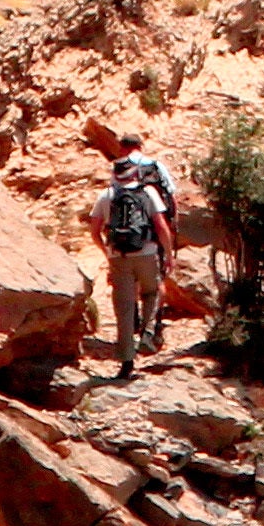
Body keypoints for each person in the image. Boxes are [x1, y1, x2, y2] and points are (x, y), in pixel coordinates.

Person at [99, 143, 179, 376]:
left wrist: (106, 251)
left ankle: (126, 363)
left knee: (123, 309)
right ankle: (148, 332)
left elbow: (95, 228)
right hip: (147, 250)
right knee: (152, 291)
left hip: (118, 255)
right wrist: (169, 251)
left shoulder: (107, 194)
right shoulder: (149, 188)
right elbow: (162, 222)